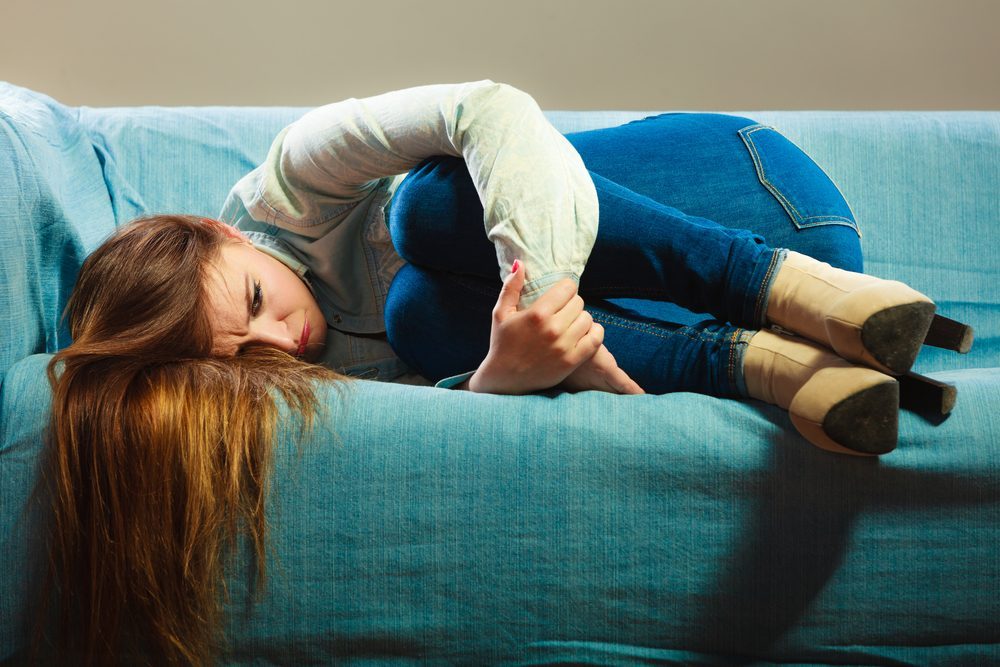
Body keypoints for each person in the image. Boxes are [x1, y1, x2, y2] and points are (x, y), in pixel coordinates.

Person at [41, 81, 970, 664]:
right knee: (430, 320)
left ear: (227, 233)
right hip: (711, 326)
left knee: (428, 207)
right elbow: (511, 396)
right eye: (244, 362)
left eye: (252, 302)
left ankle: (792, 295)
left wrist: (544, 290)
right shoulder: (307, 380)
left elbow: (488, 109)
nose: (282, 344)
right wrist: (507, 370)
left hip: (751, 205)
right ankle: (783, 374)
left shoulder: (295, 180)